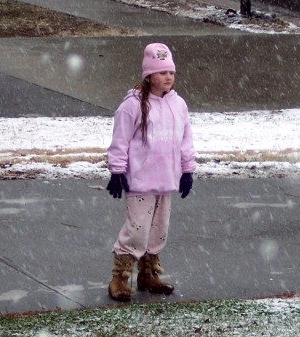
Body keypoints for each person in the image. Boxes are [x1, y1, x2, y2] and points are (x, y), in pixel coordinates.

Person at [106, 43, 197, 302]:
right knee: (136, 230)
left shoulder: (178, 104)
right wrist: (117, 170)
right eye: (161, 72)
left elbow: (185, 140)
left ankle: (148, 273)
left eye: (171, 71)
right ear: (148, 75)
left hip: (167, 179)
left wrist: (187, 170)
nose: (168, 77)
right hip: (141, 181)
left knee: (159, 229)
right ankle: (120, 277)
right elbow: (120, 141)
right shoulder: (133, 105)